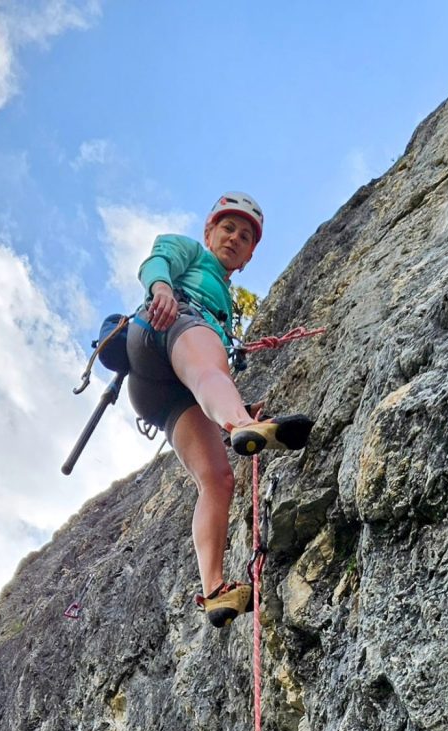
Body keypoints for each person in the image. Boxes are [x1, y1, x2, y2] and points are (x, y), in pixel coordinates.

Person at [126, 192, 313, 628]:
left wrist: (235, 405)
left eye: (245, 237)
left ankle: (213, 591)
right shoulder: (189, 252)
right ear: (209, 232)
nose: (234, 238)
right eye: (227, 228)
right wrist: (161, 290)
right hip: (166, 323)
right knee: (212, 368)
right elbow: (157, 260)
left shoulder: (227, 305)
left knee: (217, 478)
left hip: (164, 392)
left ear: (248, 257)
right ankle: (242, 424)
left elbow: (206, 375)